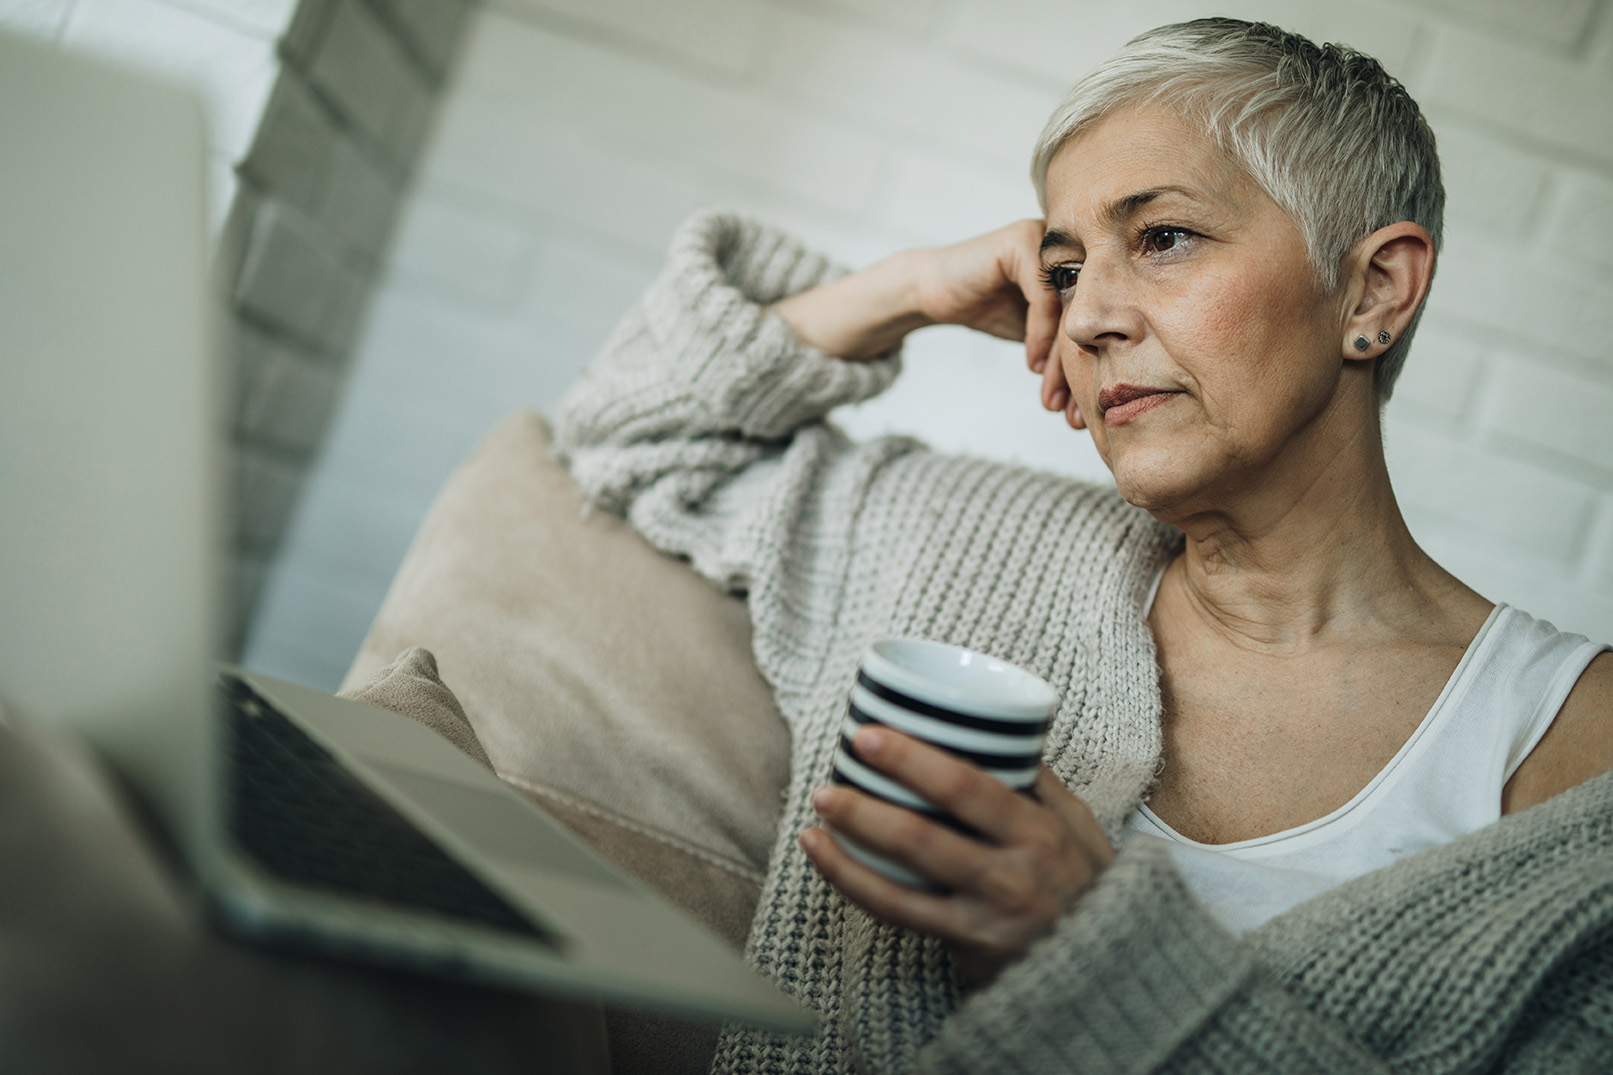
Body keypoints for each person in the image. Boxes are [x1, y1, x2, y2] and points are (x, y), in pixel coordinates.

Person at [554, 17, 1613, 1074]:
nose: (1086, 316)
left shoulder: (1577, 767)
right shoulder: (969, 546)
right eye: (1062, 268)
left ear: (1372, 289)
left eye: (1162, 238)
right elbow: (628, 433)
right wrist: (909, 288)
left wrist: (1088, 958)